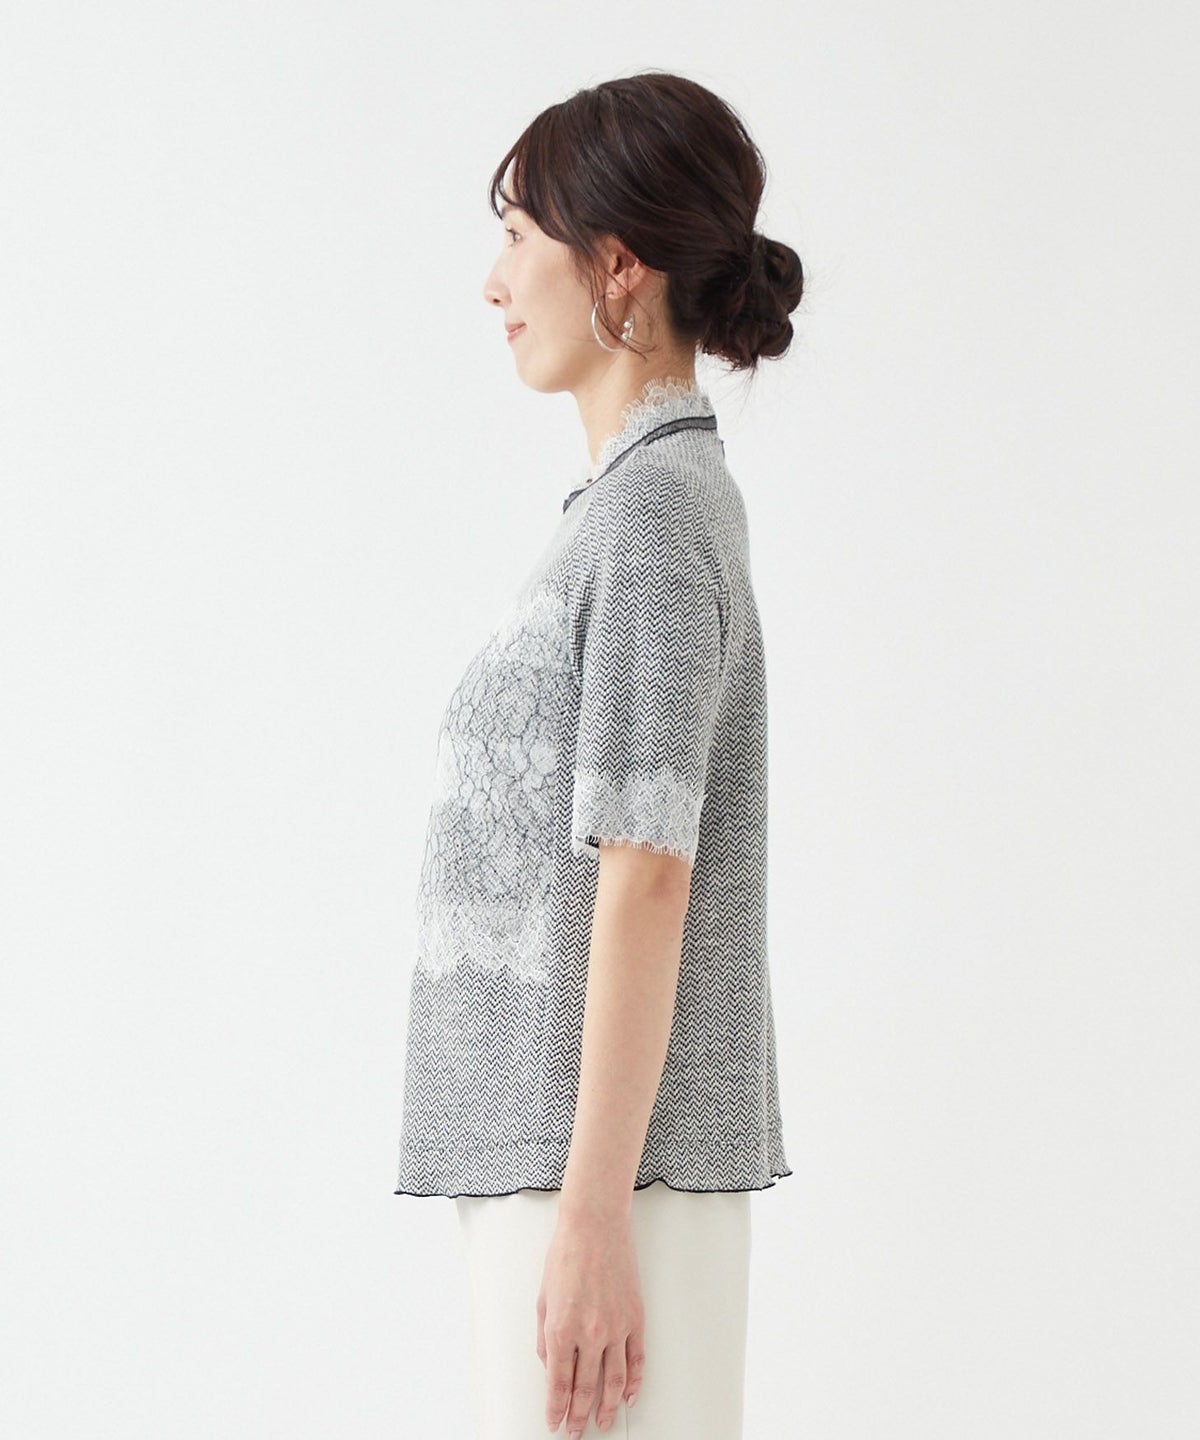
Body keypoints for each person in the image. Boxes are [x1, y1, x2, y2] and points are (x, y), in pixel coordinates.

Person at [393, 69, 805, 1439]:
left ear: (617, 265)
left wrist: (590, 1218)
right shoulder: (625, 510)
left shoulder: (654, 518)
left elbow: (647, 873)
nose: (495, 280)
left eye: (520, 235)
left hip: (607, 1182)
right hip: (572, 1172)